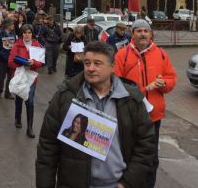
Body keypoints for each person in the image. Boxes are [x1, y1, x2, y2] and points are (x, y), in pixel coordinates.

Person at [36, 41, 155, 188]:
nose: (90, 68)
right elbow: (47, 147)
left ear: (112, 66)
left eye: (97, 63)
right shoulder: (66, 96)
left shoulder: (131, 99)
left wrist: (128, 182)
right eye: (87, 63)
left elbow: (146, 145)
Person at [114, 19, 177, 188]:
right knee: (128, 156)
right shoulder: (122, 55)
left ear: (150, 34)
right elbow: (115, 86)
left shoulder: (161, 54)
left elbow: (171, 78)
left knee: (151, 157)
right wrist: (145, 89)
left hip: (153, 117)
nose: (143, 34)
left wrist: (164, 83)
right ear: (132, 34)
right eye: (139, 31)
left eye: (146, 31)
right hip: (129, 116)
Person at [8, 24, 44, 138]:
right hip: (20, 76)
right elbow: (10, 62)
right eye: (25, 33)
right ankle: (18, 118)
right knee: (19, 99)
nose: (27, 35)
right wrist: (22, 63)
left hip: (31, 77)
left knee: (30, 101)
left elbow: (41, 62)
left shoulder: (37, 45)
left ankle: (30, 127)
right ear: (21, 34)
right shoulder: (17, 45)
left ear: (32, 34)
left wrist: (34, 63)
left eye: (29, 33)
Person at [0, 18, 16, 99]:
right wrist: (3, 55)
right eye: (12, 24)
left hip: (10, 60)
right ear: (7, 25)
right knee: (0, 77)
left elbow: (14, 45)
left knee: (11, 77)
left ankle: (8, 93)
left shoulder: (13, 33)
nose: (13, 25)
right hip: (1, 59)